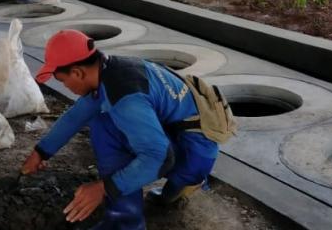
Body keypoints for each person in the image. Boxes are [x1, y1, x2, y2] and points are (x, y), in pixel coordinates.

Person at [20, 30, 220, 228]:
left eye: (62, 81)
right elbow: (77, 114)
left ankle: (125, 222)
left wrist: (103, 188)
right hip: (190, 142)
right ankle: (175, 190)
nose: (66, 87)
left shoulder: (125, 98)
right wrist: (41, 152)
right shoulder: (110, 71)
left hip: (192, 155)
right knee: (109, 122)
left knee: (105, 127)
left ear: (78, 72)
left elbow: (160, 157)